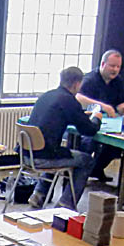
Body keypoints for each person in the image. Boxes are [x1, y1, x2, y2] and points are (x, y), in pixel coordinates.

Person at [26, 67, 102, 209]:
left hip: (27, 154)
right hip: (44, 157)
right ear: (77, 84)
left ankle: (39, 194)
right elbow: (89, 130)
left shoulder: (47, 95)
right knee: (87, 161)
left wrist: (80, 115)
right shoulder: (69, 101)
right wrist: (96, 118)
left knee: (59, 152)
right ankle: (66, 204)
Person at [76, 49, 124, 182]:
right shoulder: (90, 79)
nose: (115, 70)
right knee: (89, 142)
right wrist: (102, 106)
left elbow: (122, 102)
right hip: (87, 123)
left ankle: (95, 169)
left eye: (118, 66)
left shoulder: (118, 81)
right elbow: (79, 98)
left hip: (109, 124)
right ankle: (79, 174)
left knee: (117, 145)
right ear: (103, 64)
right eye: (112, 66)